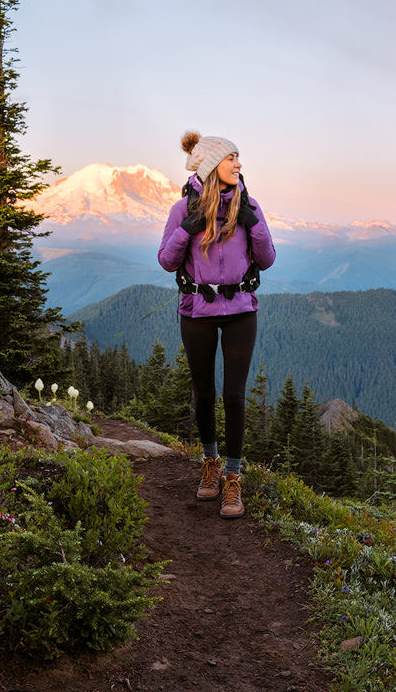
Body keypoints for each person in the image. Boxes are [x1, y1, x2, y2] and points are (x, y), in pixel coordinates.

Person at [158, 131, 276, 519]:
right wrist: (188, 228)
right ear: (212, 165)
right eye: (232, 158)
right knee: (204, 392)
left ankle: (233, 478)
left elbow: (267, 257)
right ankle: (209, 464)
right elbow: (166, 261)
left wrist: (251, 222)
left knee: (234, 396)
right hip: (197, 310)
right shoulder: (183, 210)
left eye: (238, 159)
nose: (239, 165)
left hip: (241, 308)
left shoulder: (250, 204)